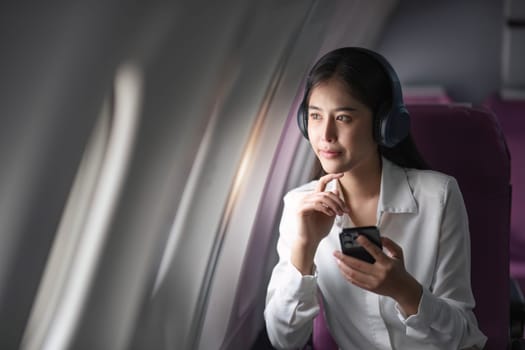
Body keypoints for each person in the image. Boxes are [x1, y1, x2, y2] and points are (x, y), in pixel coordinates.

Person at [263, 47, 487, 350]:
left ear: (384, 123)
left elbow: (462, 337)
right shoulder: (299, 206)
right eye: (315, 116)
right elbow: (284, 340)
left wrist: (405, 291)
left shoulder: (440, 196)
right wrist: (304, 249)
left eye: (343, 117)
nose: (325, 134)